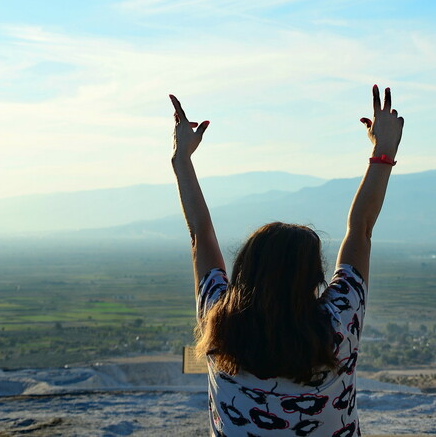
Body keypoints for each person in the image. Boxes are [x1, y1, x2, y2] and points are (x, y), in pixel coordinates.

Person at [170, 85, 404, 437]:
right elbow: (360, 231)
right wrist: (383, 151)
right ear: (313, 278)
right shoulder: (338, 324)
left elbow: (200, 235)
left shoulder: (218, 323)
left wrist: (182, 159)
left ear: (244, 270)